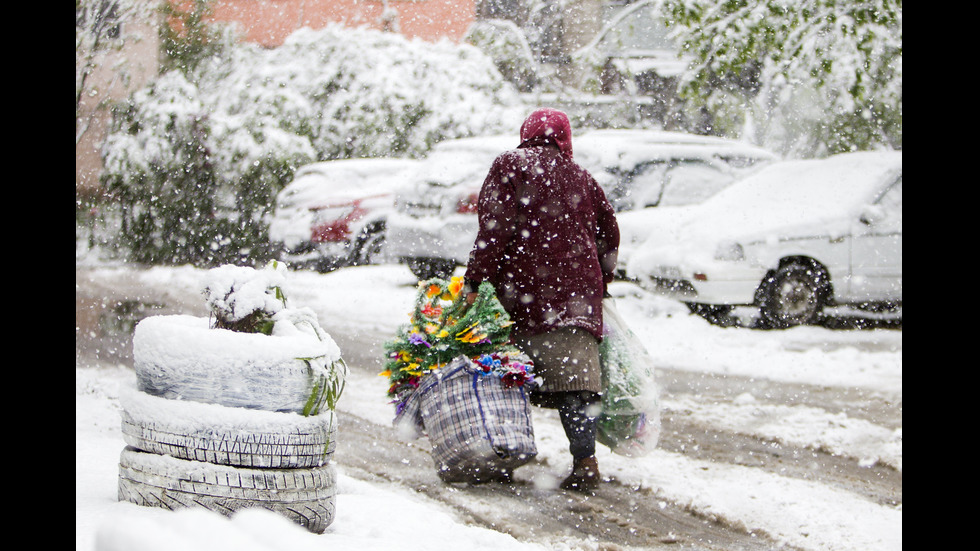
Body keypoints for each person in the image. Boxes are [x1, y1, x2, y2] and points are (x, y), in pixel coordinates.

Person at [463, 108, 620, 491]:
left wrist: (475, 281)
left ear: (526, 134)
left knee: (512, 379)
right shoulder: (582, 177)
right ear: (565, 138)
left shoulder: (510, 166)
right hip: (578, 299)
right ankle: (585, 462)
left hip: (526, 294)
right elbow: (610, 234)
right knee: (578, 384)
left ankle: (507, 455)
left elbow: (492, 230)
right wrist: (599, 280)